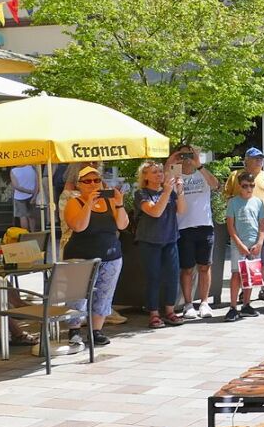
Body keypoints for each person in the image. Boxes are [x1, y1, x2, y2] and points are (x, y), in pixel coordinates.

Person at [62, 166, 129, 349]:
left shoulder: (110, 202)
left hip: (110, 256)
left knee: (104, 294)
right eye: (87, 181)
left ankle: (96, 331)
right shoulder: (74, 202)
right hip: (81, 257)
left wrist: (119, 203)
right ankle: (74, 331)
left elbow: (123, 225)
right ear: (79, 185)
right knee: (77, 295)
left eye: (96, 180)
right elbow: (78, 226)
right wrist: (89, 205)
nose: (93, 184)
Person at [134, 160, 187, 328]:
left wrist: (179, 190)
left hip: (170, 239)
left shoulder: (168, 192)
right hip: (149, 241)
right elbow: (155, 212)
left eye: (160, 171)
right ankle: (154, 313)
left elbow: (182, 210)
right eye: (154, 172)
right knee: (153, 278)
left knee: (172, 277)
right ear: (145, 176)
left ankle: (170, 311)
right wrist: (167, 192)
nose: (159, 174)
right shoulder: (141, 194)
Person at [173, 145, 220, 320]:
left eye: (190, 153)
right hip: (184, 227)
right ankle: (188, 304)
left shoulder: (202, 172)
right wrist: (173, 162)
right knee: (186, 269)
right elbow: (165, 187)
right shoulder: (175, 175)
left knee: (205, 266)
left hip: (205, 225)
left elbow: (216, 185)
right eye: (183, 154)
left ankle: (205, 303)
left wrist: (199, 164)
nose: (187, 157)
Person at [224, 148, 264, 301]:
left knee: (263, 262)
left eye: (261, 158)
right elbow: (226, 195)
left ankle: (263, 289)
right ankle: (240, 294)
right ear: (246, 160)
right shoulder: (235, 175)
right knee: (239, 267)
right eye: (255, 158)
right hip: (240, 228)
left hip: (262, 226)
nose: (259, 161)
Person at [224, 172, 264, 322]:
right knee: (236, 274)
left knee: (250, 274)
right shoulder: (233, 203)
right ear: (239, 186)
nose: (249, 189)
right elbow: (230, 226)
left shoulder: (258, 203)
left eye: (251, 185)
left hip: (254, 244)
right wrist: (239, 244)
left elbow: (262, 226)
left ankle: (246, 304)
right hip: (239, 244)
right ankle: (233, 306)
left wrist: (260, 243)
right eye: (245, 186)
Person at [10, 164, 40, 231]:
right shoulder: (32, 167)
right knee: (31, 216)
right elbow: (37, 182)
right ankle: (33, 233)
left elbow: (16, 186)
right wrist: (34, 195)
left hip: (19, 197)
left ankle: (25, 234)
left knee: (23, 216)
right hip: (32, 196)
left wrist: (28, 191)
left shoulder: (13, 171)